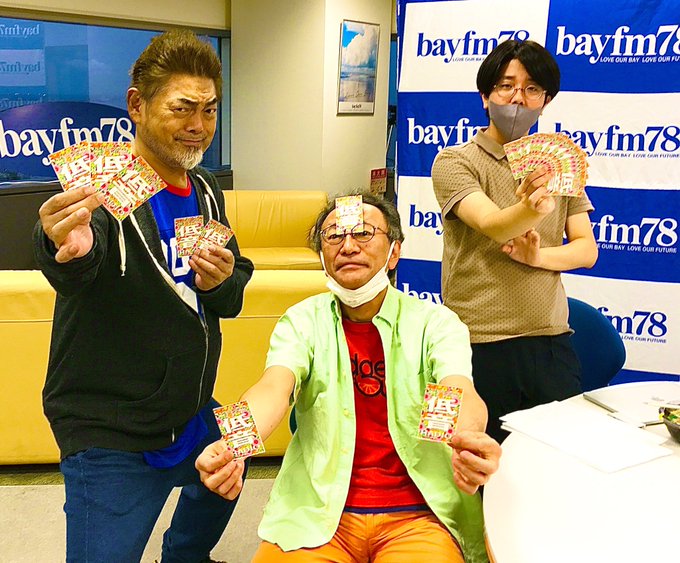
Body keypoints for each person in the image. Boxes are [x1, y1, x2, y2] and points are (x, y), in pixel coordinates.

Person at [33, 30, 253, 562]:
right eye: (182, 108)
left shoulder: (204, 188)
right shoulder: (103, 187)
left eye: (209, 110)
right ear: (137, 105)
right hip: (112, 429)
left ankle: (185, 555)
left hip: (191, 405)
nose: (198, 125)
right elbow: (77, 259)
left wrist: (223, 281)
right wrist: (66, 249)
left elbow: (231, 292)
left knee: (241, 440)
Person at [196, 194, 501, 563]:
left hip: (418, 515)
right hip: (317, 511)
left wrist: (468, 438)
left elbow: (456, 387)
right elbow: (274, 387)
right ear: (322, 256)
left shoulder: (433, 323)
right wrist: (234, 444)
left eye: (363, 233)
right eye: (334, 236)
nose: (349, 246)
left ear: (394, 251)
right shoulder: (303, 320)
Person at [431, 39, 598, 444]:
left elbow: (586, 250)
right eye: (506, 86)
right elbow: (493, 224)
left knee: (556, 460)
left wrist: (536, 256)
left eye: (532, 89)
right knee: (465, 460)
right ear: (485, 96)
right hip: (474, 343)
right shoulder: (454, 161)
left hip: (551, 341)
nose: (518, 99)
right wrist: (531, 208)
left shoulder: (559, 163)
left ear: (546, 101)